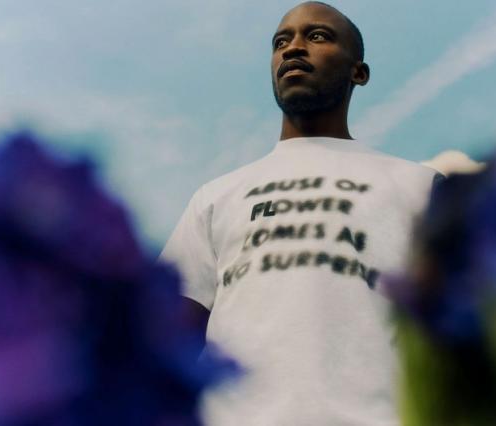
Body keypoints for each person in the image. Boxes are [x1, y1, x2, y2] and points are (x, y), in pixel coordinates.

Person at [161, 2, 441, 425]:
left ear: (358, 72)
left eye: (317, 36)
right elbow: (167, 336)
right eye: (280, 42)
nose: (293, 48)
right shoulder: (215, 197)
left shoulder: (422, 186)